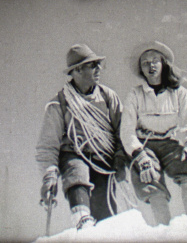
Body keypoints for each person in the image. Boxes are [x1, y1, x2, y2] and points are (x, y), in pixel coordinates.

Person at [36, 43, 126, 230]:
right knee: (76, 171)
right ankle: (81, 219)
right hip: (74, 153)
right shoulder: (59, 103)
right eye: (92, 65)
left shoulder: (108, 97)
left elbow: (122, 131)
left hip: (104, 158)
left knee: (106, 217)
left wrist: (119, 156)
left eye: (98, 64)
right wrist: (49, 175)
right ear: (77, 70)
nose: (98, 69)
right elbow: (48, 145)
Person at [120, 41, 187, 226]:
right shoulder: (135, 95)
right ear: (141, 69)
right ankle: (164, 230)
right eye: (145, 63)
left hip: (169, 143)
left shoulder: (179, 93)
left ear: (163, 63)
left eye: (155, 61)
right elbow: (127, 131)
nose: (151, 66)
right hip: (144, 145)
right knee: (150, 179)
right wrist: (140, 157)